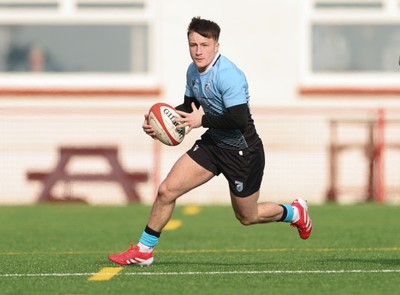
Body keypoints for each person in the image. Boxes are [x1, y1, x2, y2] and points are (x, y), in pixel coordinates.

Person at [108, 16, 312, 267]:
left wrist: (201, 122)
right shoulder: (192, 71)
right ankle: (144, 250)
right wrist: (160, 122)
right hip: (213, 144)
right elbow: (189, 107)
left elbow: (238, 119)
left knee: (247, 216)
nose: (198, 51)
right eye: (193, 45)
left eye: (204, 45)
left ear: (216, 45)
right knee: (166, 190)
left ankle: (294, 212)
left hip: (242, 152)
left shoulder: (228, 75)